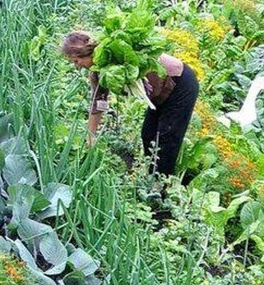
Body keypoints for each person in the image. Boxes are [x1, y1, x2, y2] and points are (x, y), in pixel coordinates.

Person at [61, 30, 199, 177]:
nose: (77, 66)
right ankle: (152, 177)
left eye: (76, 61)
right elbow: (99, 101)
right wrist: (91, 135)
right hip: (159, 95)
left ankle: (161, 189)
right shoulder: (98, 71)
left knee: (166, 140)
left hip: (180, 84)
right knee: (148, 135)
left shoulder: (116, 53)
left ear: (85, 52)